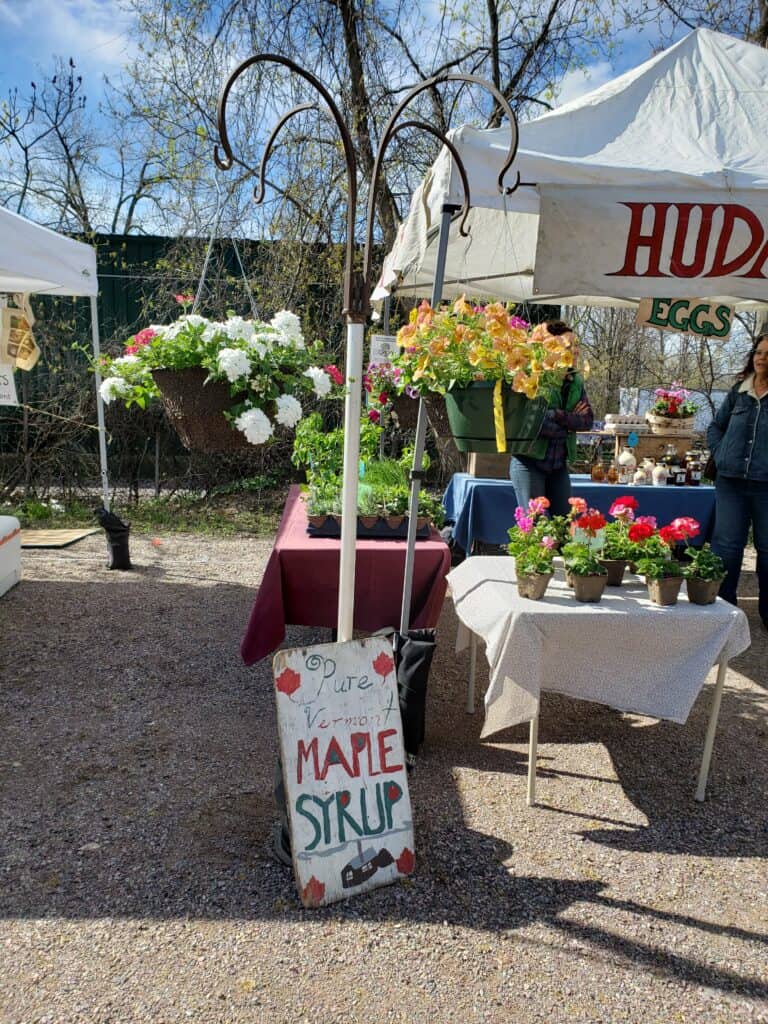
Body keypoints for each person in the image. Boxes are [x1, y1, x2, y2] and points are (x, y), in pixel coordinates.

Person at [706, 333, 768, 631]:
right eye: (758, 352)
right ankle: (723, 609)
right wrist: (720, 455)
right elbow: (715, 427)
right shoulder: (739, 391)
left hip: (766, 484)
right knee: (727, 547)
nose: (761, 358)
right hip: (730, 481)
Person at [509, 320, 594, 516]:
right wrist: (569, 420)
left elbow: (587, 420)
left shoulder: (576, 381)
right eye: (568, 346)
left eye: (577, 345)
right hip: (529, 462)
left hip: (558, 465)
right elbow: (537, 423)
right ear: (551, 348)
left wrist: (556, 414)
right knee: (535, 523)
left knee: (564, 522)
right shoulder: (535, 377)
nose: (576, 351)